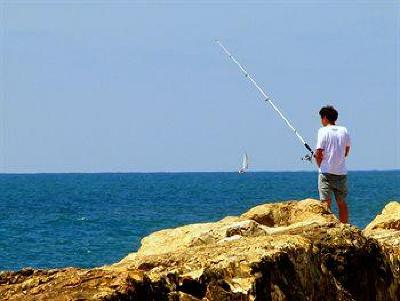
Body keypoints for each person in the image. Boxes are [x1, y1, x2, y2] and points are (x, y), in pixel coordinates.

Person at [315, 105, 351, 223]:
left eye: (321, 118)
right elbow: (346, 151)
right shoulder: (344, 130)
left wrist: (319, 165)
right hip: (341, 172)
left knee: (325, 203)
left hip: (325, 172)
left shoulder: (322, 131)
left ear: (325, 118)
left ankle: (329, 226)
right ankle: (345, 226)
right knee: (341, 202)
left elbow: (319, 152)